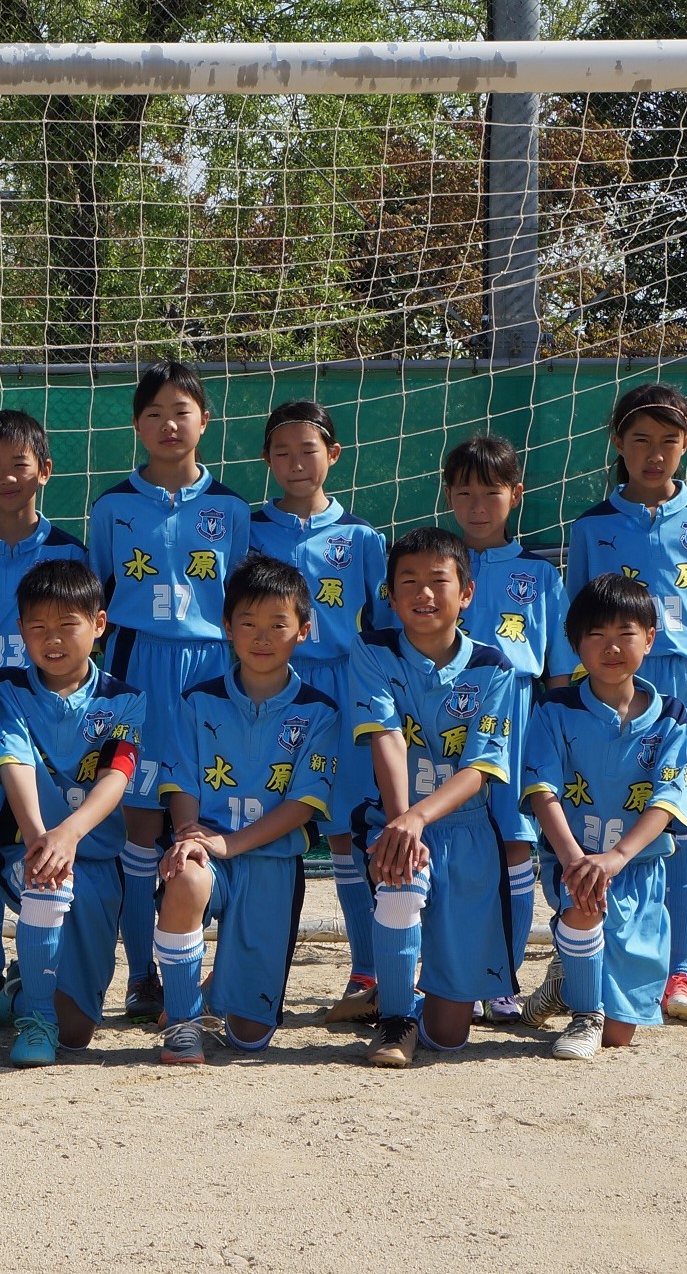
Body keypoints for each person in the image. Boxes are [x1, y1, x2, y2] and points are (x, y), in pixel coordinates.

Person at [566, 384, 687, 1025]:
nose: (655, 453)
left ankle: (681, 975)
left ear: (685, 446)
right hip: (611, 689)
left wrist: (672, 661)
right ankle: (588, 963)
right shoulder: (592, 527)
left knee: (682, 830)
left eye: (669, 441)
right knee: (607, 824)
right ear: (618, 444)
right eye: (640, 439)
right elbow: (578, 620)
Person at [88, 361, 249, 1023]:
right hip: (137, 668)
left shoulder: (231, 509)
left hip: (212, 671)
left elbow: (242, 601)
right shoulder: (112, 507)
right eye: (152, 413)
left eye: (179, 411)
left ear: (203, 421)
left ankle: (221, 964)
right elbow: (95, 599)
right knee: (141, 822)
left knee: (216, 817)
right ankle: (140, 973)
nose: (166, 424)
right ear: (136, 425)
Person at [151, 555, 339, 1064]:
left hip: (273, 860)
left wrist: (230, 843)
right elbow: (180, 779)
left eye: (277, 624)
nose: (262, 637)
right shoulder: (196, 701)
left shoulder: (320, 712)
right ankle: (184, 1019)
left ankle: (215, 991)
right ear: (227, 626)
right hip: (207, 847)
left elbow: (304, 802)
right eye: (248, 623)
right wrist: (189, 833)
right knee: (187, 875)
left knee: (250, 1038)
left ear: (302, 630)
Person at [350, 527, 520, 1068]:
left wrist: (418, 819)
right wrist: (401, 825)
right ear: (390, 596)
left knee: (450, 1037)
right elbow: (387, 736)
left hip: (467, 830)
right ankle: (395, 1018)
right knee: (400, 881)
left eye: (438, 581)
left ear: (466, 593)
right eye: (409, 582)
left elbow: (480, 766)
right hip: (397, 817)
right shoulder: (372, 651)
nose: (424, 593)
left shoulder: (494, 667)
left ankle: (415, 1001)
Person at [246, 398, 390, 1024]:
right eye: (282, 451)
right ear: (267, 462)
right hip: (276, 687)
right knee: (275, 824)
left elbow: (384, 627)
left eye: (309, 449)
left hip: (345, 686)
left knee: (350, 832)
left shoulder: (362, 539)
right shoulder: (249, 531)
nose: (296, 462)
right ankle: (244, 971)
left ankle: (370, 967)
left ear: (333, 455)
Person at [0, 408, 87, 1018]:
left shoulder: (69, 551)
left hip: (47, 714)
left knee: (50, 839)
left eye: (20, 464)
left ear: (45, 471)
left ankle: (52, 966)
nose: (8, 476)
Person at [522, 574, 687, 1060]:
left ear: (650, 639)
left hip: (638, 869)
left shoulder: (673, 718)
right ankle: (583, 1012)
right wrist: (577, 859)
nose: (612, 646)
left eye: (626, 632)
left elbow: (667, 799)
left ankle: (564, 984)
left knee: (621, 1036)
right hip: (573, 861)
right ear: (576, 643)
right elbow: (542, 790)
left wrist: (617, 857)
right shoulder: (554, 709)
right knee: (583, 900)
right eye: (596, 634)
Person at [0, 559, 144, 1066]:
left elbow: (115, 777)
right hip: (24, 849)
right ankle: (33, 1017)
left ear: (99, 624)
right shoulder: (4, 690)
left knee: (76, 1032)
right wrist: (41, 839)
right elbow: (13, 764)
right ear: (21, 631)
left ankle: (18, 990)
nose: (52, 639)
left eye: (67, 625)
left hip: (95, 860)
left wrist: (70, 835)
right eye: (38, 627)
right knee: (46, 881)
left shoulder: (125, 700)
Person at [443, 433, 572, 1021]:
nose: (476, 505)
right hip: (445, 721)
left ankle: (503, 977)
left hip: (519, 721)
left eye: (490, 492)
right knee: (445, 845)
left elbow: (561, 676)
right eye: (464, 492)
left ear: (515, 495)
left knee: (516, 845)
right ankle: (442, 976)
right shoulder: (432, 566)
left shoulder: (542, 577)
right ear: (447, 496)